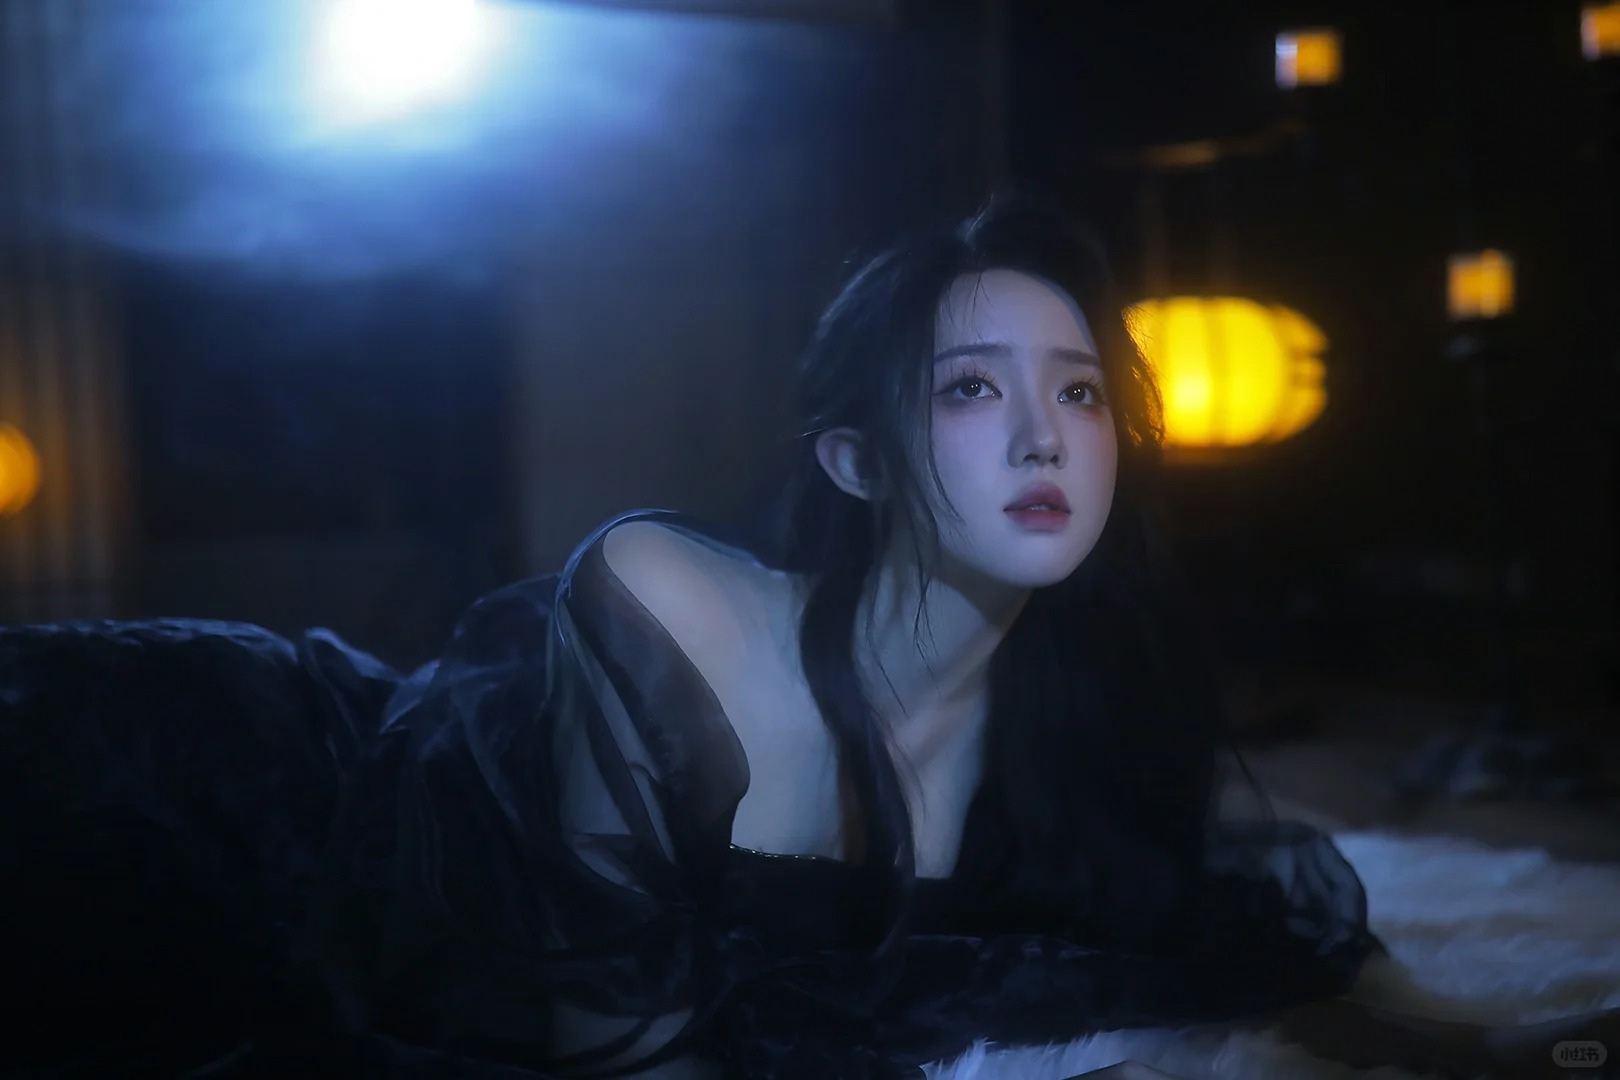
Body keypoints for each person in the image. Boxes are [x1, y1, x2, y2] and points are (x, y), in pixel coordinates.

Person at [0, 196, 1612, 1080]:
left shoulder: (1075, 714)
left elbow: (1229, 914)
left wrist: (1479, 1044)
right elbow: (610, 1046)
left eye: (1078, 391)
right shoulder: (669, 597)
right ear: (855, 462)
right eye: (970, 389)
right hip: (222, 792)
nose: (1042, 435)